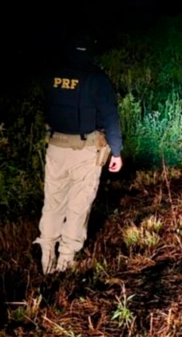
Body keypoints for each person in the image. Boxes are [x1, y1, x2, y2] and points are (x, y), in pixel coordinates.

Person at [34, 37, 123, 274]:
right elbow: (110, 116)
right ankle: (66, 259)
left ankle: (46, 253)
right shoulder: (96, 79)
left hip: (55, 147)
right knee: (78, 205)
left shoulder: (52, 75)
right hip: (84, 151)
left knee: (53, 202)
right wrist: (116, 151)